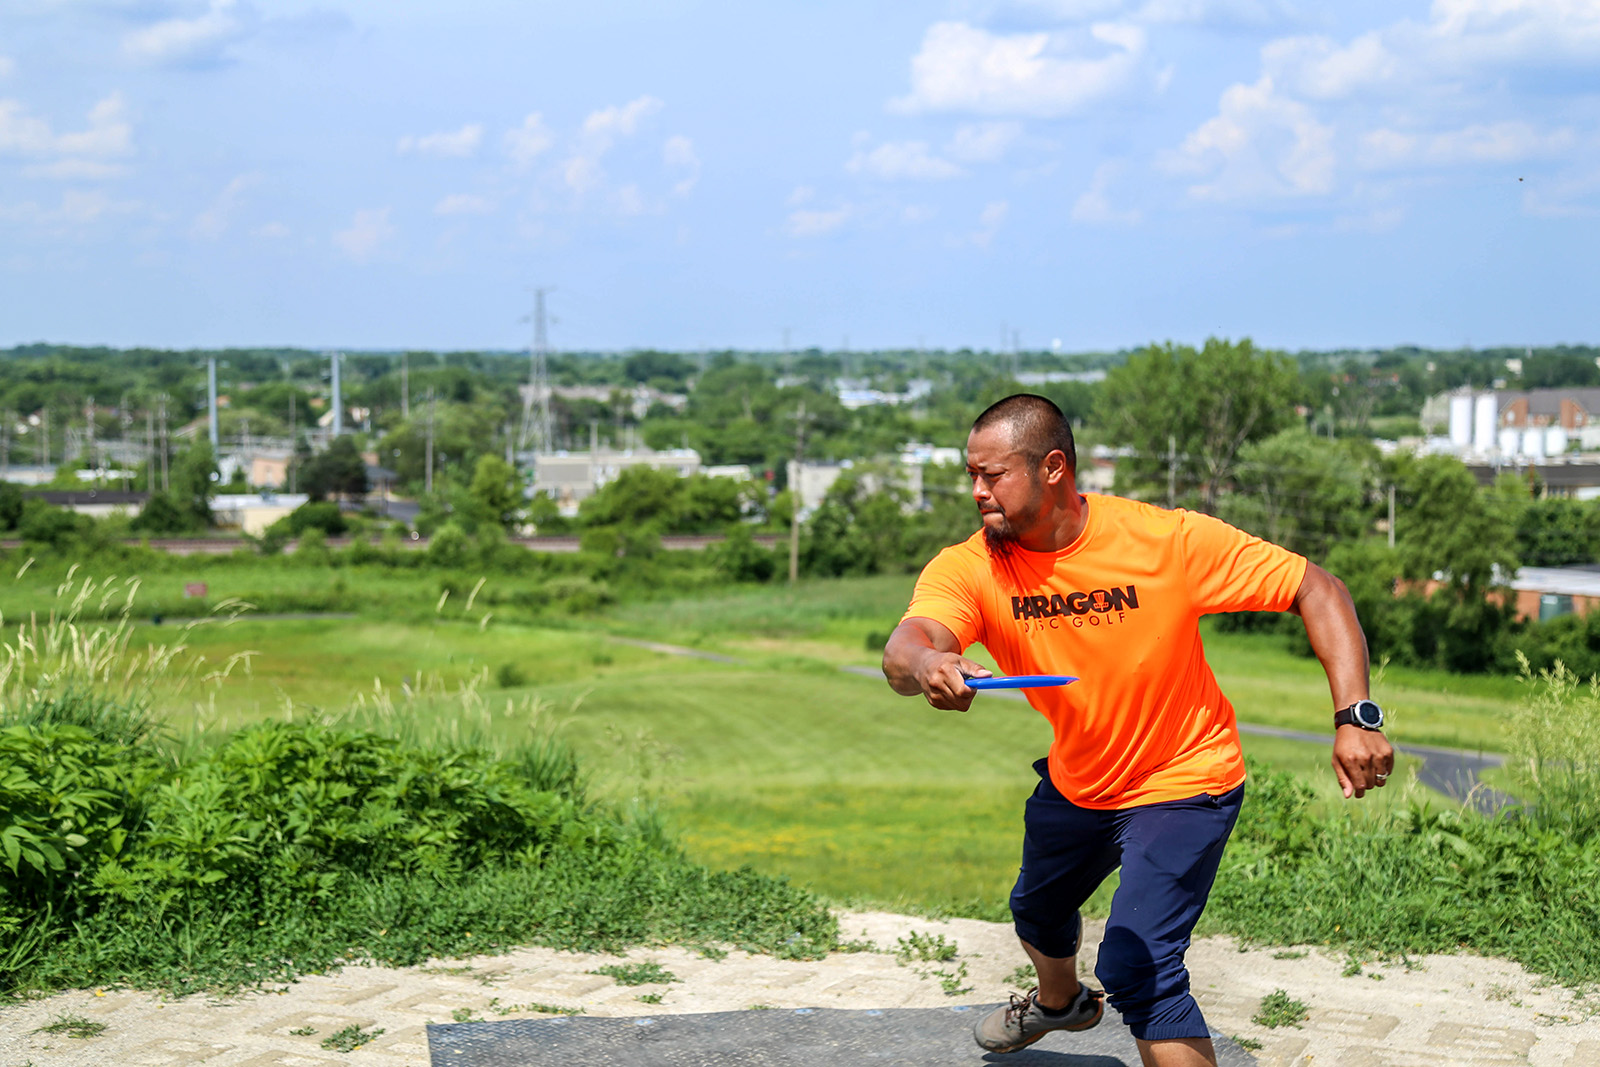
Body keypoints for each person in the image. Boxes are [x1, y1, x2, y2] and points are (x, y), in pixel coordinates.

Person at [881, 394, 1393, 1067]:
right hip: (1081, 778)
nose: (977, 491)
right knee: (1037, 911)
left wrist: (1353, 714)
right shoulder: (975, 565)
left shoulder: (1163, 541)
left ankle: (1109, 997)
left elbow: (1318, 587)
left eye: (993, 474)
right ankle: (1060, 1005)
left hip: (1185, 777)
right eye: (970, 474)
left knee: (1139, 961)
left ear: (1054, 467)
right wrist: (929, 662)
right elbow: (906, 643)